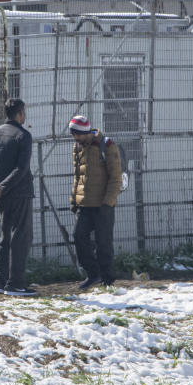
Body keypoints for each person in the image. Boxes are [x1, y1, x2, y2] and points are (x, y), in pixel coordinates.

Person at [0, 98, 37, 297]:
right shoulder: (24, 136)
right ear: (20, 113)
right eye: (24, 112)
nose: (25, 115)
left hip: (0, 195)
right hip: (19, 192)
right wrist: (3, 187)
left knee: (5, 237)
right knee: (21, 237)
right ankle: (16, 285)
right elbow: (21, 169)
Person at [68, 115, 122, 289]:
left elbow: (116, 178)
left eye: (78, 135)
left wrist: (108, 202)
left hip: (103, 204)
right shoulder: (77, 147)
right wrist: (74, 200)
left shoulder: (107, 145)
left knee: (103, 243)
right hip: (84, 204)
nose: (76, 138)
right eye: (73, 135)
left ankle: (108, 280)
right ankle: (93, 274)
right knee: (78, 237)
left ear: (86, 132)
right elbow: (78, 176)